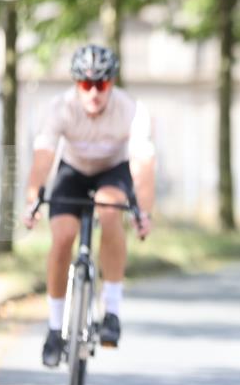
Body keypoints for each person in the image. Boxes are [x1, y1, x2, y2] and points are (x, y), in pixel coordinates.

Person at [22, 44, 155, 367]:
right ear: (76, 83)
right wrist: (33, 198)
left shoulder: (131, 109)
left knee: (110, 209)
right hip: (74, 170)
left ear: (111, 83)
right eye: (86, 84)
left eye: (101, 84)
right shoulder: (60, 108)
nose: (93, 92)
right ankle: (55, 329)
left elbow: (143, 162)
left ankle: (111, 311)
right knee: (63, 236)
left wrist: (144, 211)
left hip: (113, 171)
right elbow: (44, 156)